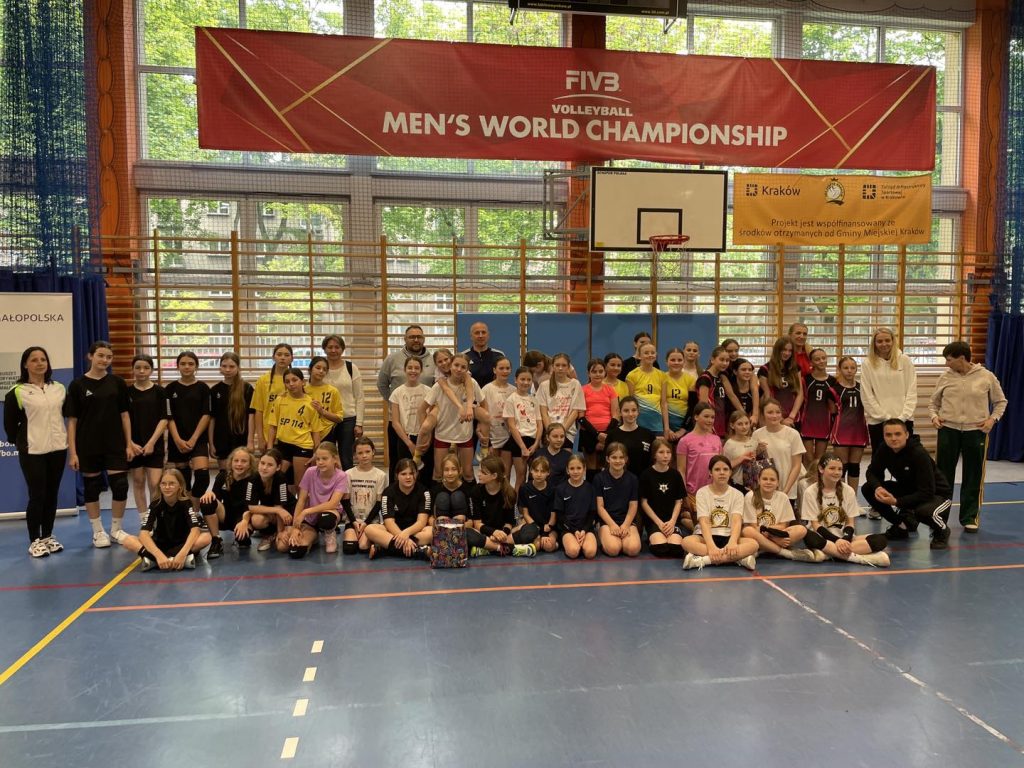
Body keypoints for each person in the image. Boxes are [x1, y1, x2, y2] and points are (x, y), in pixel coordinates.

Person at [929, 341, 1006, 532]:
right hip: (948, 430)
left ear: (961, 358)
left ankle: (970, 517)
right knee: (943, 475)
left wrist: (992, 420)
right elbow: (933, 403)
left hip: (976, 432)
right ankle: (939, 516)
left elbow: (1000, 402)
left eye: (949, 359)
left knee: (973, 475)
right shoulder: (945, 377)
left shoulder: (986, 377)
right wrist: (934, 417)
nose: (946, 363)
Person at [65, 341, 135, 548]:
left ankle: (116, 529)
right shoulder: (77, 385)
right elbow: (72, 421)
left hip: (115, 444)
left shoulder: (117, 383)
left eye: (109, 357)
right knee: (92, 487)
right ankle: (97, 531)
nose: (105, 360)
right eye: (101, 356)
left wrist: (129, 444)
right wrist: (73, 452)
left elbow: (125, 416)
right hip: (88, 445)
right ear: (90, 356)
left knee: (120, 486)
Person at [4, 346, 68, 558]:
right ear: (25, 364)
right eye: (34, 360)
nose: (40, 363)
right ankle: (35, 541)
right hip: (33, 452)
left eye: (43, 359)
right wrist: (24, 442)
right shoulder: (17, 392)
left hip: (58, 449)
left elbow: (67, 415)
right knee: (37, 495)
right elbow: (10, 426)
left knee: (51, 494)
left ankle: (48, 536)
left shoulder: (59, 388)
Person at [862, 419, 952, 550]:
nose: (893, 438)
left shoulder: (918, 453)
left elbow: (927, 492)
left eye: (898, 434)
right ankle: (901, 525)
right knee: (868, 489)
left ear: (907, 435)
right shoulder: (884, 448)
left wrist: (897, 502)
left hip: (937, 494)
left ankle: (942, 531)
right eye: (888, 435)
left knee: (923, 512)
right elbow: (871, 472)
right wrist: (878, 487)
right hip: (910, 490)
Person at [801, 454, 890, 567]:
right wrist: (837, 540)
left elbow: (850, 523)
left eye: (840, 469)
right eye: (832, 468)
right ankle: (860, 558)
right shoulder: (810, 492)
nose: (837, 472)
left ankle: (830, 554)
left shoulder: (848, 490)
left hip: (842, 538)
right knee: (809, 537)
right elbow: (815, 525)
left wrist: (845, 539)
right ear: (821, 469)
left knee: (881, 540)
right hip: (821, 539)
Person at [116, 468, 211, 571]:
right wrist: (158, 555)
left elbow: (195, 530)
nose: (167, 487)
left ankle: (154, 560)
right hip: (160, 546)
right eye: (163, 484)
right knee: (128, 540)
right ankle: (167, 560)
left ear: (180, 486)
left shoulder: (186, 503)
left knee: (206, 537)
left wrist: (182, 553)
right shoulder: (155, 504)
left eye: (172, 484)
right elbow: (143, 533)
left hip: (181, 545)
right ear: (159, 486)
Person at [681, 455, 759, 570]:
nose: (722, 472)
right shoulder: (702, 492)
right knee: (686, 542)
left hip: (728, 535)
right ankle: (738, 559)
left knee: (754, 544)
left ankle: (704, 560)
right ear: (710, 473)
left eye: (725, 469)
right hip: (706, 537)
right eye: (717, 469)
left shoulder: (737, 494)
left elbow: (736, 521)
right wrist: (711, 546)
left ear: (730, 472)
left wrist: (732, 542)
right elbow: (704, 522)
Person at [422, 353, 487, 483]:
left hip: (464, 435)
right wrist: (427, 431)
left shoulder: (472, 383)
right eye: (456, 365)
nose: (459, 369)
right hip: (443, 434)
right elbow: (423, 408)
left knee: (468, 472)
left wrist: (480, 424)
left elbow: (484, 404)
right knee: (439, 473)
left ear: (467, 370)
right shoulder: (439, 385)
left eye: (463, 367)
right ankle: (438, 496)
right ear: (450, 365)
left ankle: (468, 496)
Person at [165, 351, 213, 523]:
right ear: (178, 366)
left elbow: (206, 415)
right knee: (183, 480)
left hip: (198, 439)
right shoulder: (170, 389)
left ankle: (194, 508)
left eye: (190, 364)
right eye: (183, 363)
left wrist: (193, 439)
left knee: (202, 477)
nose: (187, 367)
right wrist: (178, 440)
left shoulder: (203, 388)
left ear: (196, 366)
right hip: (177, 440)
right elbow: (168, 417)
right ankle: (189, 515)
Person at [377, 325, 435, 467]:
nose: (416, 340)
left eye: (419, 337)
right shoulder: (392, 359)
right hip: (399, 422)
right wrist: (395, 404)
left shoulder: (433, 360)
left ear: (424, 339)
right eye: (412, 337)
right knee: (398, 463)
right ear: (405, 339)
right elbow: (382, 384)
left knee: (425, 464)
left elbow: (437, 390)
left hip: (424, 423)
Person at [739, 465, 819, 562]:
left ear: (778, 483)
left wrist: (772, 534)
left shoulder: (783, 497)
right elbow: (754, 527)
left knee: (801, 529)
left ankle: (763, 549)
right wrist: (775, 538)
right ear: (759, 481)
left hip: (775, 535)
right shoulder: (750, 496)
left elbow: (783, 526)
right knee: (747, 531)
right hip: (759, 535)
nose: (768, 482)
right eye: (765, 479)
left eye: (772, 480)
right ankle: (784, 553)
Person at [284, 441, 349, 558]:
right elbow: (301, 500)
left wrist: (305, 511)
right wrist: (295, 528)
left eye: (324, 458)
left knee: (326, 519)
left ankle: (329, 533)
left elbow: (333, 503)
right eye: (318, 459)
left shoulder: (341, 476)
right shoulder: (310, 472)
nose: (320, 462)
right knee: (295, 551)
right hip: (311, 517)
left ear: (334, 459)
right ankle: (313, 537)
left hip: (329, 513)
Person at [860, 327, 917, 455]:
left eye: (887, 340)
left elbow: (911, 391)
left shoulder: (904, 360)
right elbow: (866, 395)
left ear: (893, 341)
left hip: (904, 419)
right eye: (879, 341)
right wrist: (884, 417)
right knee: (879, 458)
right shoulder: (867, 364)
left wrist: (903, 416)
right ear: (874, 343)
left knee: (904, 459)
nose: (884, 344)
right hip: (878, 421)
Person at [467, 455, 537, 557]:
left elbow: (509, 523)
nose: (478, 474)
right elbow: (477, 524)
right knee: (466, 532)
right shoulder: (475, 491)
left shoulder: (509, 493)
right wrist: (493, 532)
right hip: (484, 533)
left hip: (504, 534)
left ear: (494, 476)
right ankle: (508, 549)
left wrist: (502, 534)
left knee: (533, 529)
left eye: (483, 472)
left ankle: (488, 548)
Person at [126, 353, 168, 518]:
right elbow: (123, 419)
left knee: (155, 483)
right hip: (134, 445)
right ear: (133, 369)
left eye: (146, 368)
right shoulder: (126, 392)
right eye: (138, 367)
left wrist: (151, 443)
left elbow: (164, 419)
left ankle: (154, 517)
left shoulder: (160, 392)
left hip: (154, 445)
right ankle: (144, 519)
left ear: (151, 370)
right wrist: (130, 443)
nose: (142, 371)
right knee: (138, 481)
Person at [365, 458, 432, 560]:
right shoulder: (388, 492)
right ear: (397, 475)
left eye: (411, 473)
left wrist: (406, 533)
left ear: (417, 474)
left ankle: (384, 549)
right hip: (393, 531)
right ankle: (418, 551)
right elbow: (389, 522)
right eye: (403, 474)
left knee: (433, 531)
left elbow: (421, 522)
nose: (408, 477)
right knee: (369, 529)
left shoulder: (424, 492)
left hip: (415, 531)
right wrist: (404, 538)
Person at [268, 368, 322, 493]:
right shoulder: (280, 400)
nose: (291, 384)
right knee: (275, 479)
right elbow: (273, 426)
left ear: (302, 382)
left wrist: (317, 453)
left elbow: (316, 431)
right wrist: (270, 448)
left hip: (302, 446)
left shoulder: (311, 403)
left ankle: (302, 506)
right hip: (283, 445)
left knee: (300, 485)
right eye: (287, 382)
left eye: (294, 380)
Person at [199, 446, 257, 549]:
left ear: (250, 464)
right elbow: (215, 498)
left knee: (243, 541)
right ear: (231, 462)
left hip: (244, 516)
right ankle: (216, 539)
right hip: (225, 515)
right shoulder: (223, 476)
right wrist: (209, 493)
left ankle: (243, 536)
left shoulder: (254, 479)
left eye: (244, 461)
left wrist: (245, 522)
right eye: (236, 461)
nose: (239, 464)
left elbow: (253, 507)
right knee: (207, 501)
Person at [676, 403, 723, 529]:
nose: (710, 420)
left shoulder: (716, 439)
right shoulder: (685, 441)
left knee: (716, 527)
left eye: (712, 417)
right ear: (696, 417)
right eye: (706, 416)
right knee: (702, 528)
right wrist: (684, 494)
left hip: (714, 492)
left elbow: (721, 466)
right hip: (694, 493)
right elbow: (681, 470)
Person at [321, 335, 364, 470]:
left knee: (346, 458)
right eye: (330, 347)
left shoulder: (351, 368)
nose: (333, 350)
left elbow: (359, 397)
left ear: (342, 349)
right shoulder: (320, 368)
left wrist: (359, 423)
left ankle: (345, 483)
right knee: (325, 457)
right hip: (325, 419)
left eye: (337, 347)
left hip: (347, 419)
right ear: (324, 349)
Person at [752, 398, 806, 504]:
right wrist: (758, 452)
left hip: (787, 489)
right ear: (763, 414)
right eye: (770, 412)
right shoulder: (757, 434)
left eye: (778, 412)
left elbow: (797, 466)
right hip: (765, 489)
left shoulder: (793, 434)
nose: (774, 415)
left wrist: (785, 492)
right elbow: (755, 463)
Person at [594, 442, 641, 557]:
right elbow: (600, 507)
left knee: (633, 549)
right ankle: (604, 537)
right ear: (607, 459)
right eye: (614, 457)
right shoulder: (599, 478)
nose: (618, 461)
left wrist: (626, 525)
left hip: (626, 521)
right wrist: (612, 525)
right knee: (613, 549)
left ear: (626, 459)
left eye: (621, 457)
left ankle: (622, 540)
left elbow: (633, 505)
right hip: (607, 522)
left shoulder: (633, 479)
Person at [640, 437, 687, 555]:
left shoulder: (675, 475)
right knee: (661, 548)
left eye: (668, 452)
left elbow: (678, 501)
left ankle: (673, 533)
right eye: (661, 452)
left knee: (675, 548)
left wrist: (672, 522)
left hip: (672, 521)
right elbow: (644, 503)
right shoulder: (646, 475)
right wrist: (659, 523)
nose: (665, 456)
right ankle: (651, 539)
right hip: (654, 522)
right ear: (654, 455)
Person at [208, 352, 253, 472]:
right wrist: (211, 443)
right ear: (220, 367)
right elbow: (212, 419)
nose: (228, 370)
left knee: (241, 473)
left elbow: (251, 416)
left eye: (232, 366)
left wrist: (250, 441)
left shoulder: (247, 388)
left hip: (241, 438)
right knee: (225, 473)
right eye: (224, 366)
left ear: (238, 367)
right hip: (221, 439)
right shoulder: (215, 390)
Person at [830, 356, 869, 495]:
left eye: (852, 368)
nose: (849, 371)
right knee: (841, 467)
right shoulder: (834, 389)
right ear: (839, 369)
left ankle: (852, 498)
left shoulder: (862, 388)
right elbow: (832, 412)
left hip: (859, 431)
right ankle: (841, 498)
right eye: (846, 368)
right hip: (841, 431)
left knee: (854, 467)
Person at [342, 437, 387, 554]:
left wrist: (366, 522)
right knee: (349, 549)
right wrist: (353, 521)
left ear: (373, 452)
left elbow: (379, 503)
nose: (364, 456)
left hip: (371, 521)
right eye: (360, 453)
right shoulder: (348, 474)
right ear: (355, 455)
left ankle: (375, 541)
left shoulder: (380, 475)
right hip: (353, 520)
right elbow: (345, 501)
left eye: (367, 451)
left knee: (363, 547)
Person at [388, 356, 432, 477]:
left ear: (421, 370)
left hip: (424, 438)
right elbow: (395, 422)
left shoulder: (429, 391)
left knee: (425, 474)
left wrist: (428, 439)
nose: (413, 371)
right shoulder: (397, 392)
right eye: (410, 368)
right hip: (405, 439)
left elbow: (432, 419)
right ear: (404, 369)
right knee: (406, 473)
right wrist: (409, 444)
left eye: (417, 368)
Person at [245, 448, 295, 552]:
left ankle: (281, 531)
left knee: (282, 547)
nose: (264, 468)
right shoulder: (253, 478)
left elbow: (280, 507)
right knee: (256, 520)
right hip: (273, 511)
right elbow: (252, 507)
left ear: (278, 467)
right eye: (262, 463)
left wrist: (281, 531)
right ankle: (269, 534)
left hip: (287, 513)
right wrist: (277, 510)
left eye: (270, 465)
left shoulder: (281, 478)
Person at [800, 348, 837, 484]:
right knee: (808, 458)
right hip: (808, 422)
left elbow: (834, 405)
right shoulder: (806, 379)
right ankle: (807, 486)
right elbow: (801, 399)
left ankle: (818, 486)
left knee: (819, 459)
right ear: (811, 362)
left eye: (823, 358)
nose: (821, 361)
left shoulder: (833, 381)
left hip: (824, 423)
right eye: (817, 359)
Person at [579, 357, 620, 474]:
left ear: (605, 372)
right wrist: (597, 435)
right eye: (594, 371)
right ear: (588, 373)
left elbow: (616, 414)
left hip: (608, 433)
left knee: (605, 467)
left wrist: (606, 435)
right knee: (591, 468)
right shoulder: (582, 390)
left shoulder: (611, 390)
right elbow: (581, 417)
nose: (597, 374)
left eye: (600, 371)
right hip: (588, 433)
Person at [251, 343, 294, 453]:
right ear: (273, 357)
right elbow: (259, 410)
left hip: (291, 435)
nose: (282, 358)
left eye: (286, 355)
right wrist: (260, 437)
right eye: (279, 354)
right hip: (268, 436)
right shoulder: (263, 380)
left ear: (292, 358)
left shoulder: (296, 380)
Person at [554, 454, 598, 560]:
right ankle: (571, 543)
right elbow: (560, 516)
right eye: (572, 468)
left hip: (586, 529)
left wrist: (584, 530)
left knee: (590, 553)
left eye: (579, 468)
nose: (575, 471)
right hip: (568, 529)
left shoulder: (590, 488)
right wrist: (574, 531)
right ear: (567, 470)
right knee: (573, 551)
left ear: (584, 469)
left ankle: (584, 543)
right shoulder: (561, 489)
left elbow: (592, 513)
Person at [504, 366, 540, 494]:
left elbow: (539, 424)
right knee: (521, 475)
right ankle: (515, 504)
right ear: (516, 380)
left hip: (533, 441)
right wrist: (522, 447)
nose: (525, 382)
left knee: (533, 475)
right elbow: (511, 425)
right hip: (519, 441)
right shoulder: (511, 400)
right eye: (522, 379)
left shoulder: (534, 400)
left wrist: (536, 443)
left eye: (528, 380)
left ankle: (526, 503)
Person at [537, 352, 586, 443]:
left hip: (567, 432)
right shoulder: (544, 385)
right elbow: (543, 412)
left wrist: (562, 432)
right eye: (557, 365)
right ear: (553, 366)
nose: (560, 368)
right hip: (548, 432)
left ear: (568, 367)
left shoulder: (575, 384)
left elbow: (575, 411)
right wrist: (550, 432)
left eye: (564, 365)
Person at [758, 336, 804, 428]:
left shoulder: (795, 368)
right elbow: (768, 397)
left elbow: (800, 393)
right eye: (784, 350)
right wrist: (781, 419)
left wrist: (791, 417)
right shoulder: (765, 370)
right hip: (774, 417)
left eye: (790, 351)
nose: (787, 353)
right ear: (777, 350)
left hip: (793, 417)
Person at [306, 356, 344, 464]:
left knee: (326, 466)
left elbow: (339, 418)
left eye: (324, 369)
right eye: (318, 368)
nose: (321, 371)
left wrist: (322, 411)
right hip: (306, 434)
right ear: (310, 369)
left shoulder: (333, 391)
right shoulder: (302, 390)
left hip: (327, 433)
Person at [696, 346, 741, 438]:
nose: (725, 363)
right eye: (721, 360)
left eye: (727, 360)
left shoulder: (722, 377)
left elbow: (732, 396)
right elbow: (703, 404)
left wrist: (743, 413)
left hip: (721, 419)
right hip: (710, 421)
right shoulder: (705, 378)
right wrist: (708, 425)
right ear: (712, 360)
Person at [480, 356, 515, 471]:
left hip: (508, 437)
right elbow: (482, 417)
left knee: (505, 470)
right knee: (492, 471)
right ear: (494, 370)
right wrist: (488, 443)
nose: (505, 371)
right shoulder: (486, 389)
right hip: (492, 437)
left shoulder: (514, 390)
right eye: (501, 368)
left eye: (507, 368)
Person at [606, 396, 654, 477]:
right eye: (626, 410)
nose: (630, 414)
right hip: (619, 481)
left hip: (643, 480)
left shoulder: (648, 435)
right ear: (620, 412)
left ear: (638, 411)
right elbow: (606, 462)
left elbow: (653, 462)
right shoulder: (612, 435)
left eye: (634, 410)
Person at [518, 455, 558, 553]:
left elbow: (553, 516)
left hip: (549, 526)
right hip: (533, 524)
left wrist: (545, 532)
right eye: (536, 471)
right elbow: (525, 514)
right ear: (531, 471)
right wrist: (535, 528)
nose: (539, 474)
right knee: (536, 546)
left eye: (542, 471)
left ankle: (557, 544)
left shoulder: (553, 490)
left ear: (548, 473)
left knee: (548, 546)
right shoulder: (524, 488)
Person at [626, 341, 665, 436]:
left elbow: (663, 403)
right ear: (639, 356)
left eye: (652, 352)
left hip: (657, 425)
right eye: (646, 353)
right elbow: (630, 402)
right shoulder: (632, 375)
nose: (650, 355)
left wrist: (666, 427)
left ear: (656, 354)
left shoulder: (662, 375)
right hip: (639, 424)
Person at [431, 453, 472, 525]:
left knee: (458, 496)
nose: (450, 473)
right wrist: (443, 526)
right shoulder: (435, 490)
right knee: (442, 497)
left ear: (460, 470)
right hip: (441, 527)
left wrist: (455, 526)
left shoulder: (468, 490)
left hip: (460, 527)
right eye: (446, 470)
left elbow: (471, 522)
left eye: (454, 469)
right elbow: (430, 519)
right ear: (442, 471)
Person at [722, 410, 757, 494]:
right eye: (740, 424)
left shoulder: (754, 441)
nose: (744, 427)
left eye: (746, 423)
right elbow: (725, 466)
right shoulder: (729, 444)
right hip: (737, 484)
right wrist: (741, 459)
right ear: (732, 425)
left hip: (753, 484)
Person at [462, 321, 505, 389]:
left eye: (483, 332)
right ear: (471, 336)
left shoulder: (499, 355)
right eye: (477, 333)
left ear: (488, 335)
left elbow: (503, 378)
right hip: (471, 394)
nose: (480, 336)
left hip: (493, 394)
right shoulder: (464, 356)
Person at [662, 347, 691, 444]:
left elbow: (692, 407)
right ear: (666, 362)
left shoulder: (690, 380)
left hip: (685, 427)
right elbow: (660, 404)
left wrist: (682, 430)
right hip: (665, 427)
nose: (676, 362)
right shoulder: (661, 378)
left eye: (679, 360)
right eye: (673, 360)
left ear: (684, 362)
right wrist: (667, 429)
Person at [537, 422, 573, 490]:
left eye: (562, 436)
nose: (559, 440)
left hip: (561, 492)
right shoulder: (539, 454)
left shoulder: (568, 456)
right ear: (547, 437)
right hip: (542, 492)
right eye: (555, 436)